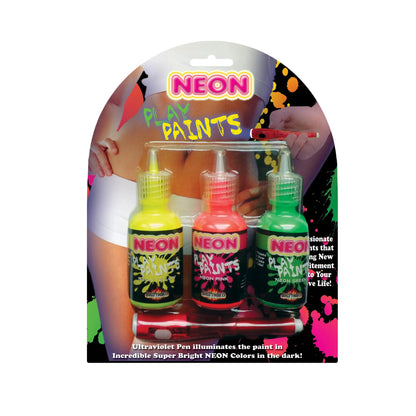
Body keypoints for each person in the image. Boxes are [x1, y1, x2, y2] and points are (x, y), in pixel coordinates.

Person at [87, 41, 333, 360]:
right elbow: (112, 97)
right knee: (122, 355)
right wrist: (91, 139)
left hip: (218, 215)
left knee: (170, 359)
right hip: (122, 186)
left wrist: (284, 197)